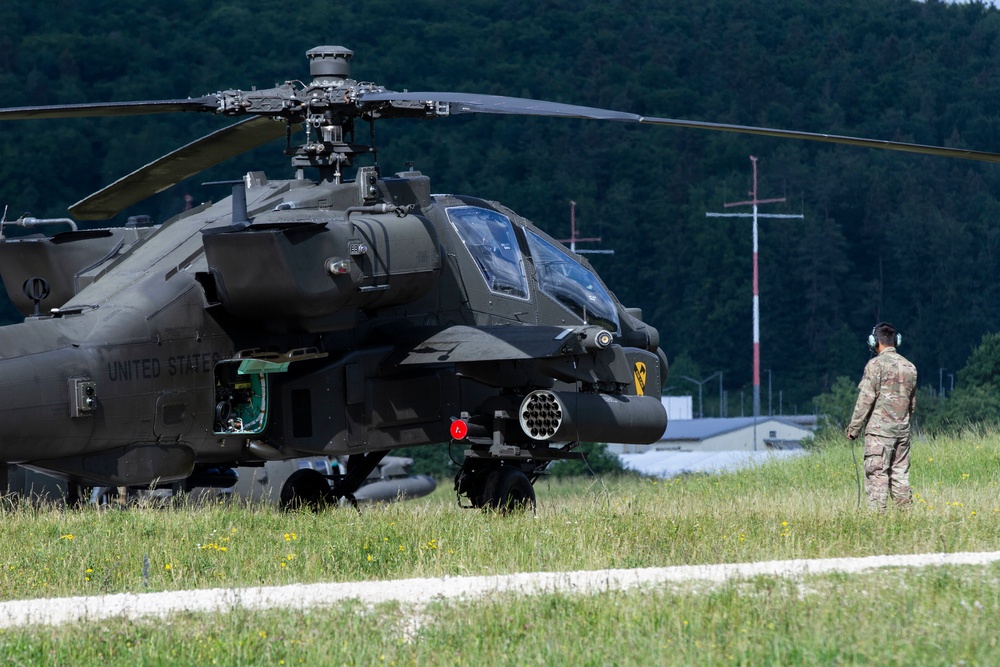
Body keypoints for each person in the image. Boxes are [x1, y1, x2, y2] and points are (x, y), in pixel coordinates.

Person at [846, 322, 918, 510]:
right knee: (900, 475)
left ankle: (878, 523)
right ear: (896, 341)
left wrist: (854, 429)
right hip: (902, 432)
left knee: (877, 475)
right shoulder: (910, 367)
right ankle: (907, 516)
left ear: (874, 342)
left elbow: (865, 399)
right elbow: (912, 405)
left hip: (879, 434)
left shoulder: (875, 365)